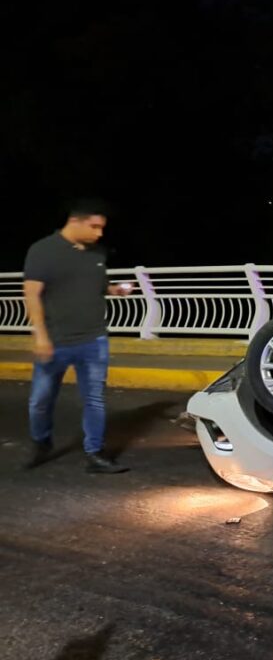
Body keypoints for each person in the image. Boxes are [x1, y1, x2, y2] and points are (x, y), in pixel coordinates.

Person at [23, 200, 133, 473]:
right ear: (75, 222)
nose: (99, 233)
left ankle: (94, 453)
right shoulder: (43, 250)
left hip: (94, 340)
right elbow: (32, 295)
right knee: (40, 400)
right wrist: (40, 336)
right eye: (94, 226)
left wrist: (114, 290)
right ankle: (41, 442)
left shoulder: (97, 253)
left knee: (94, 399)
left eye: (102, 228)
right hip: (55, 340)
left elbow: (94, 284)